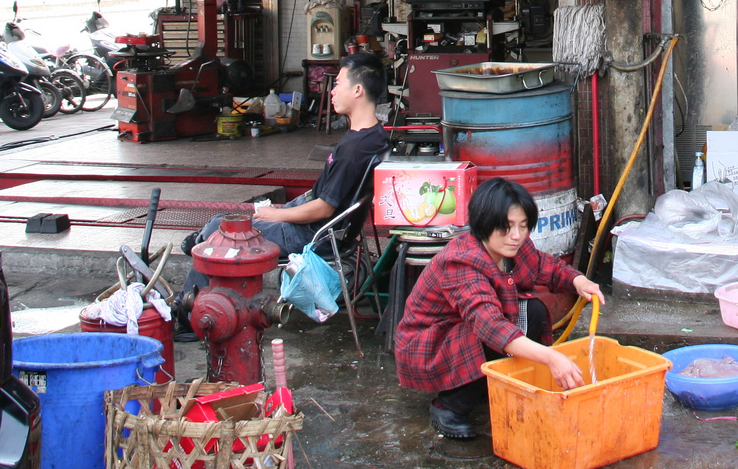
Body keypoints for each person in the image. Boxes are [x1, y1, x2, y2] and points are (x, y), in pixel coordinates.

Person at [177, 52, 388, 320]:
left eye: (338, 83)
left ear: (358, 90)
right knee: (220, 225)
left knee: (218, 236)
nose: (332, 90)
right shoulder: (373, 136)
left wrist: (274, 214)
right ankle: (199, 254)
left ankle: (186, 317)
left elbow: (323, 209)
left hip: (310, 235)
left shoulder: (355, 149)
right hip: (320, 227)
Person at [395, 177, 605, 440]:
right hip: (429, 344)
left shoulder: (512, 245)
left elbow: (543, 265)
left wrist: (579, 280)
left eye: (523, 226)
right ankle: (449, 406)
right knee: (489, 336)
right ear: (484, 224)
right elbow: (491, 326)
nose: (516, 236)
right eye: (506, 227)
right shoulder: (462, 262)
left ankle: (491, 383)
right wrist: (552, 358)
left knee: (533, 312)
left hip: (468, 330)